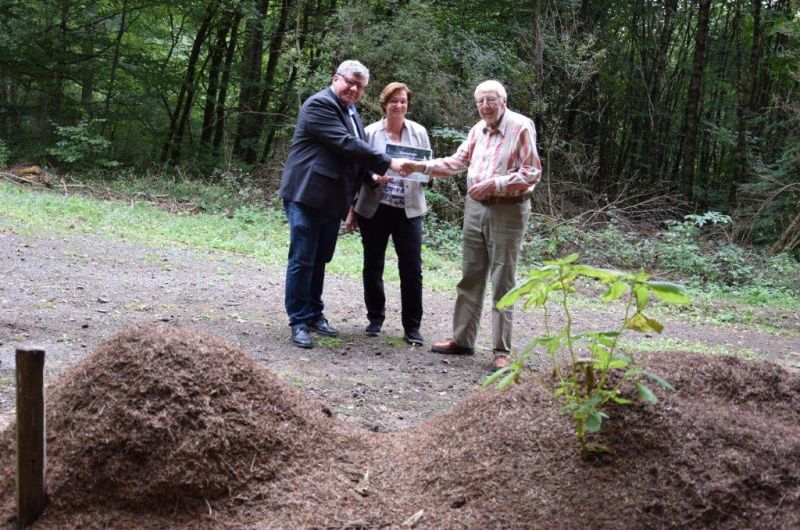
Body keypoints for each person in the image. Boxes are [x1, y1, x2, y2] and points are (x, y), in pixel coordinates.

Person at [400, 80, 542, 371]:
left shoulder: (521, 126)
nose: (485, 106)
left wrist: (495, 184)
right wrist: (420, 167)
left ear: (503, 100)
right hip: (475, 208)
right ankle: (462, 339)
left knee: (503, 279)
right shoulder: (478, 129)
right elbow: (456, 162)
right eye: (480, 101)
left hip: (509, 210)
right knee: (471, 276)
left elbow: (532, 173)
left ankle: (501, 350)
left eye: (490, 100)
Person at [279, 60, 405, 349]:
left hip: (331, 199)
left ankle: (314, 314)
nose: (354, 89)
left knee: (320, 258)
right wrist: (388, 162)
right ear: (335, 78)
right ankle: (298, 321)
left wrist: (372, 176)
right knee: (302, 258)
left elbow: (351, 156)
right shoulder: (319, 105)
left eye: (360, 86)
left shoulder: (351, 112)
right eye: (350, 82)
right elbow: (345, 144)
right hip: (306, 194)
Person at [345, 82, 431, 346]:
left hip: (409, 210)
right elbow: (358, 169)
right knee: (373, 265)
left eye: (403, 101)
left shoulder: (419, 132)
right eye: (394, 101)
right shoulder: (370, 133)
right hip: (374, 208)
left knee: (412, 268)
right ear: (384, 104)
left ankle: (412, 326)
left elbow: (429, 168)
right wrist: (372, 177)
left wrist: (421, 172)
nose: (399, 106)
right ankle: (375, 318)